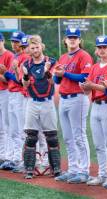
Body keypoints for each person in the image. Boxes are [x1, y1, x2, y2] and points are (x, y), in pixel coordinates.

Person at [54, 27, 93, 183]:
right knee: (68, 138)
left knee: (79, 136)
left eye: (75, 37)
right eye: (69, 37)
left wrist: (64, 74)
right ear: (65, 40)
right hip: (64, 99)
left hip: (78, 97)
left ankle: (83, 171)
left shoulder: (84, 56)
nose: (72, 39)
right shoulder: (62, 57)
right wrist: (58, 75)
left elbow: (84, 77)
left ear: (79, 40)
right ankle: (73, 169)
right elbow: (58, 80)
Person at [20, 35, 61, 179]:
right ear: (29, 50)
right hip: (32, 101)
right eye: (32, 48)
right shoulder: (26, 64)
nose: (35, 50)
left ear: (41, 46)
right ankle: (29, 168)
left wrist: (47, 70)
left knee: (51, 136)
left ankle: (55, 168)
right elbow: (25, 85)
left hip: (47, 101)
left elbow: (52, 82)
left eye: (37, 47)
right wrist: (25, 76)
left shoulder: (51, 61)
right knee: (31, 135)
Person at [81, 35, 107, 188]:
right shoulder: (94, 67)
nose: (101, 50)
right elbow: (88, 91)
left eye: (104, 47)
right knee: (99, 144)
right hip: (95, 105)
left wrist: (92, 86)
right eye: (99, 47)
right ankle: (102, 174)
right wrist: (85, 87)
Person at [0, 31, 29, 171]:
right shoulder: (16, 56)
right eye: (13, 41)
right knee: (12, 129)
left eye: (17, 41)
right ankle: (12, 157)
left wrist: (5, 73)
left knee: (20, 128)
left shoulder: (22, 57)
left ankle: (20, 158)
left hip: (18, 94)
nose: (14, 44)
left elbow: (17, 80)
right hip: (11, 94)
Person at [0, 32, 14, 167]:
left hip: (5, 92)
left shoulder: (9, 56)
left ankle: (7, 155)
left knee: (7, 125)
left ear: (3, 41)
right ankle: (1, 154)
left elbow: (8, 79)